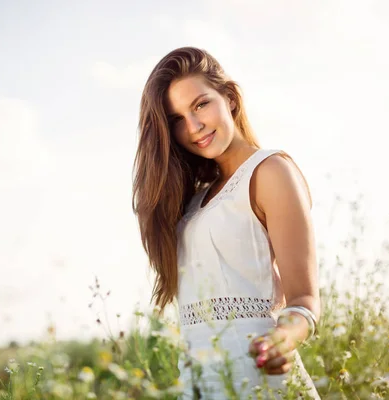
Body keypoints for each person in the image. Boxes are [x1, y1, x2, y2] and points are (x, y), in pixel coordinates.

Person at [132, 46, 321, 399]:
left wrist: (285, 338)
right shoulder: (193, 199)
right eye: (176, 120)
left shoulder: (271, 171)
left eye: (201, 104)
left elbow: (304, 298)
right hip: (202, 384)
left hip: (260, 378)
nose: (194, 126)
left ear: (230, 98)